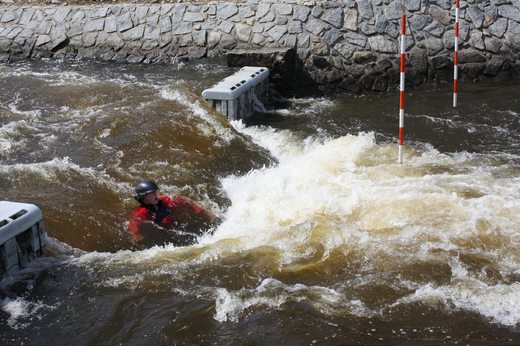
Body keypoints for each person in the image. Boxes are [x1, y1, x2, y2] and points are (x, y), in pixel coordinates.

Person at [128, 180, 216, 246]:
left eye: (156, 192)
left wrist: (202, 211)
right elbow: (133, 226)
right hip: (164, 233)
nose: (156, 194)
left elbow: (182, 200)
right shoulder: (140, 213)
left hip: (175, 226)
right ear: (144, 197)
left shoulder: (164, 200)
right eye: (152, 193)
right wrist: (135, 236)